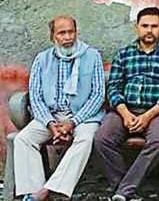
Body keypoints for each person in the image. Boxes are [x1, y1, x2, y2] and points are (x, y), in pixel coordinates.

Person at [94, 7, 159, 201]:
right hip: (124, 110)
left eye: (154, 26)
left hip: (158, 112)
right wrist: (126, 114)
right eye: (145, 26)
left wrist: (146, 116)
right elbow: (114, 89)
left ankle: (122, 192)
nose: (149, 30)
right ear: (136, 27)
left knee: (158, 142)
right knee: (102, 138)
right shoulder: (123, 55)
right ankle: (125, 190)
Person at [14, 15, 105, 201]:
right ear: (52, 36)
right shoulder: (42, 59)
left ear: (76, 32)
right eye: (62, 33)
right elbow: (36, 96)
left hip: (82, 116)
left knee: (85, 139)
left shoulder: (92, 56)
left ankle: (50, 189)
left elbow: (98, 95)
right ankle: (34, 192)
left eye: (71, 32)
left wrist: (72, 123)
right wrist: (50, 124)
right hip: (51, 115)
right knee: (23, 139)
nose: (67, 37)